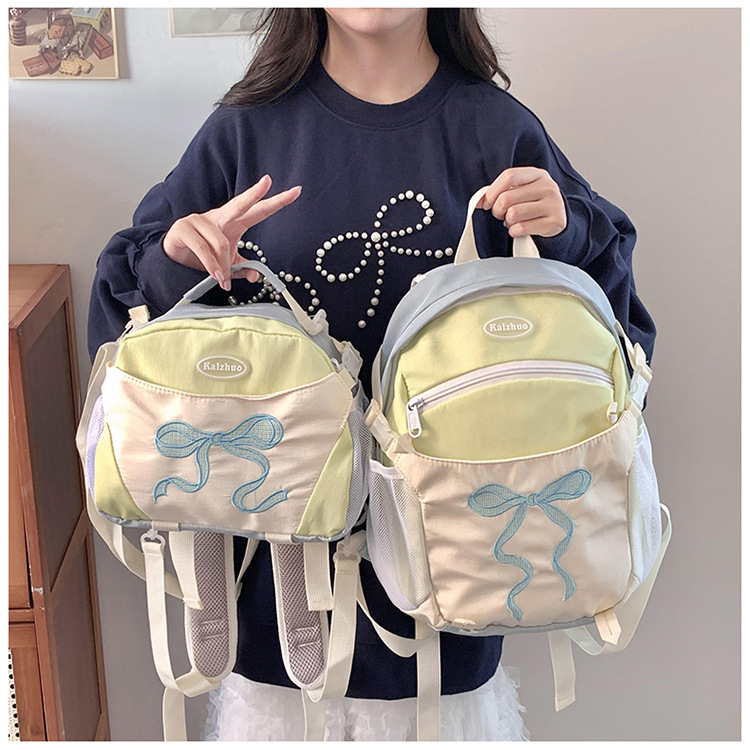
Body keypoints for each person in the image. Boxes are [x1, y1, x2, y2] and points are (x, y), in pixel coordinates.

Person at [88, 8, 656, 742]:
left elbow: (614, 347)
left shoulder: (495, 130)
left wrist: (564, 232)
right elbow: (130, 333)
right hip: (275, 582)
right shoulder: (245, 131)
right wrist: (179, 259)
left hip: (453, 579)